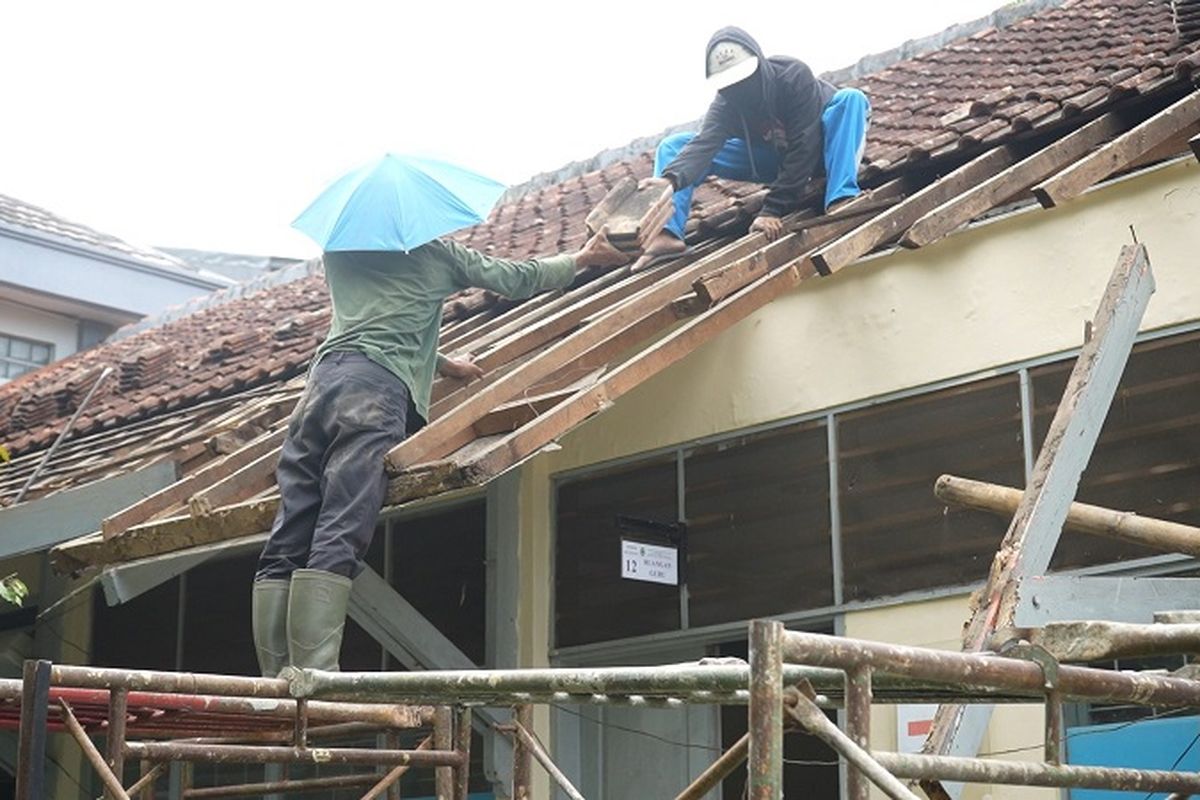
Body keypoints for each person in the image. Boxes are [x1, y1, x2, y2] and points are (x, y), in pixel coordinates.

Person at [251, 231, 633, 677]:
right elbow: (515, 277)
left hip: (319, 389)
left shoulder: (339, 249)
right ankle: (314, 673)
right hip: (372, 393)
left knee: (293, 526)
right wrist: (581, 258)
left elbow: (378, 318)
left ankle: (276, 678)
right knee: (343, 522)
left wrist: (446, 364)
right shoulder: (435, 254)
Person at [644, 26, 871, 258]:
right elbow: (704, 146)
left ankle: (841, 196)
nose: (740, 89)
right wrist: (669, 180)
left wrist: (773, 209)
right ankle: (668, 233)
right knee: (674, 146)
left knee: (851, 99)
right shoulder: (726, 105)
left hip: (824, 149)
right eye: (730, 83)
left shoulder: (792, 75)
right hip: (776, 159)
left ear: (759, 64)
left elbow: (805, 144)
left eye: (744, 78)